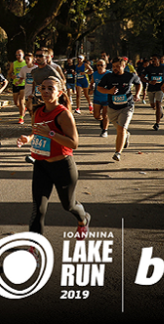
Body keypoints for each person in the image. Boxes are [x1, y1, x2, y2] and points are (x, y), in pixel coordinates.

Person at [17, 76, 90, 238]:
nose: (46, 91)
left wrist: (51, 133)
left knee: (68, 206)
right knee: (38, 209)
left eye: (50, 88)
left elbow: (74, 143)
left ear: (59, 93)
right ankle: (34, 248)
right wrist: (28, 138)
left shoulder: (63, 114)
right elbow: (36, 130)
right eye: (43, 88)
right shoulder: (37, 111)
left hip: (62, 167)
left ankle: (83, 219)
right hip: (41, 166)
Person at [97, 57, 141, 161]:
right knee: (120, 129)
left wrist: (137, 94)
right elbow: (99, 88)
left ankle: (118, 153)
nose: (115, 68)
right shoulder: (108, 77)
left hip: (127, 106)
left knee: (121, 129)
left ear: (123, 66)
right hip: (112, 108)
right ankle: (126, 135)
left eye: (117, 66)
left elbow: (139, 83)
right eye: (113, 66)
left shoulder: (130, 76)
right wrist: (109, 91)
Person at [143, 55, 164, 131]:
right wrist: (149, 81)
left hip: (160, 88)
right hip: (151, 89)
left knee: (158, 104)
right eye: (152, 59)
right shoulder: (148, 68)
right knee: (153, 105)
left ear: (158, 60)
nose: (153, 61)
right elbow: (142, 77)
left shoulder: (163, 68)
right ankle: (160, 112)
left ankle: (157, 123)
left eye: (154, 59)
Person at [90, 59, 111, 137]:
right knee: (96, 115)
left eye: (101, 65)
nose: (99, 67)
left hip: (107, 97)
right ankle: (102, 121)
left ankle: (104, 130)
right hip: (97, 97)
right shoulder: (94, 74)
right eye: (98, 65)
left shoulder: (109, 74)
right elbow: (92, 83)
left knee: (105, 115)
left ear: (105, 66)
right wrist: (91, 88)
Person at [17, 53, 37, 124]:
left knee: (30, 106)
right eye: (25, 59)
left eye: (28, 59)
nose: (26, 61)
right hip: (27, 90)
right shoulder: (24, 68)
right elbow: (22, 77)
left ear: (32, 59)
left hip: (35, 91)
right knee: (30, 109)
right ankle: (34, 121)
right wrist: (18, 82)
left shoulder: (36, 68)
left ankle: (35, 122)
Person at [11, 50, 28, 125]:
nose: (18, 56)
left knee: (21, 100)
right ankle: (23, 108)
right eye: (16, 55)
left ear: (23, 55)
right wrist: (12, 76)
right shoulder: (13, 63)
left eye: (19, 54)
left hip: (24, 84)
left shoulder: (25, 63)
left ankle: (21, 118)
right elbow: (9, 73)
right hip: (15, 83)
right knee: (16, 102)